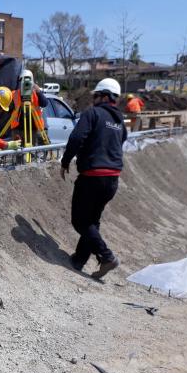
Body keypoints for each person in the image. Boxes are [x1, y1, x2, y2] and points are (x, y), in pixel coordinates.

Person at [60, 77, 127, 280]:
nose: (94, 100)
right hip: (112, 180)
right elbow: (123, 138)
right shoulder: (119, 120)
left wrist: (65, 161)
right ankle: (79, 259)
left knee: (80, 221)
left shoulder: (93, 114)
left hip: (92, 177)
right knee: (92, 221)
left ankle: (107, 257)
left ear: (104, 96)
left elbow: (76, 137)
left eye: (96, 96)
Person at [7, 69, 50, 146]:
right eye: (22, 81)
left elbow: (45, 103)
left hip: (33, 128)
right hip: (18, 129)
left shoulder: (36, 94)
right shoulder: (14, 94)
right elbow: (7, 109)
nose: (25, 84)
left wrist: (38, 91)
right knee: (19, 153)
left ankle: (32, 158)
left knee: (32, 152)